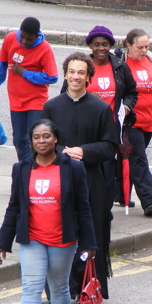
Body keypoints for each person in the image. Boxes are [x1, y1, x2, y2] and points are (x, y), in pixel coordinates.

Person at [0, 119, 97, 304]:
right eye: (37, 137)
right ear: (31, 141)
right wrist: (2, 241)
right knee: (31, 288)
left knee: (58, 287)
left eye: (47, 136)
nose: (42, 141)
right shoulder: (21, 168)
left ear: (56, 139)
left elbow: (83, 207)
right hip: (32, 239)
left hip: (62, 238)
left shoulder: (72, 167)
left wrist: (89, 243)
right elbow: (14, 207)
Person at [42, 52, 119, 301]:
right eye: (72, 72)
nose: (76, 77)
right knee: (59, 235)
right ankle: (59, 291)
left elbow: (110, 146)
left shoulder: (100, 108)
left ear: (89, 78)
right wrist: (59, 150)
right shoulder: (51, 107)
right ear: (65, 74)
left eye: (81, 73)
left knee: (92, 233)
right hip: (59, 179)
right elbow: (40, 142)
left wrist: (84, 151)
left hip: (91, 180)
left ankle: (87, 287)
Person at [60, 26, 138, 213]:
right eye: (97, 45)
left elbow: (132, 92)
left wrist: (126, 105)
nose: (101, 48)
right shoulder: (80, 68)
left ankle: (105, 210)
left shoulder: (120, 67)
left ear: (111, 45)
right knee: (87, 169)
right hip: (86, 129)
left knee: (108, 170)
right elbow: (66, 96)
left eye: (105, 44)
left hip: (111, 127)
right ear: (90, 46)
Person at [0, 17, 58, 161]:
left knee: (36, 138)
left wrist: (25, 73)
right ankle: (25, 169)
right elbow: (1, 65)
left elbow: (52, 77)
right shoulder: (10, 39)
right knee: (19, 140)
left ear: (37, 36)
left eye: (29, 39)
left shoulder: (44, 48)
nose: (25, 41)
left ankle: (36, 169)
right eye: (23, 37)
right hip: (16, 100)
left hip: (37, 101)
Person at [114, 28, 152, 216]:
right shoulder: (120, 64)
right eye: (140, 47)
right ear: (128, 45)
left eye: (147, 46)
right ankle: (150, 199)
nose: (144, 50)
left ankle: (119, 193)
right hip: (129, 122)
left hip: (149, 122)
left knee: (128, 158)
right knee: (138, 159)